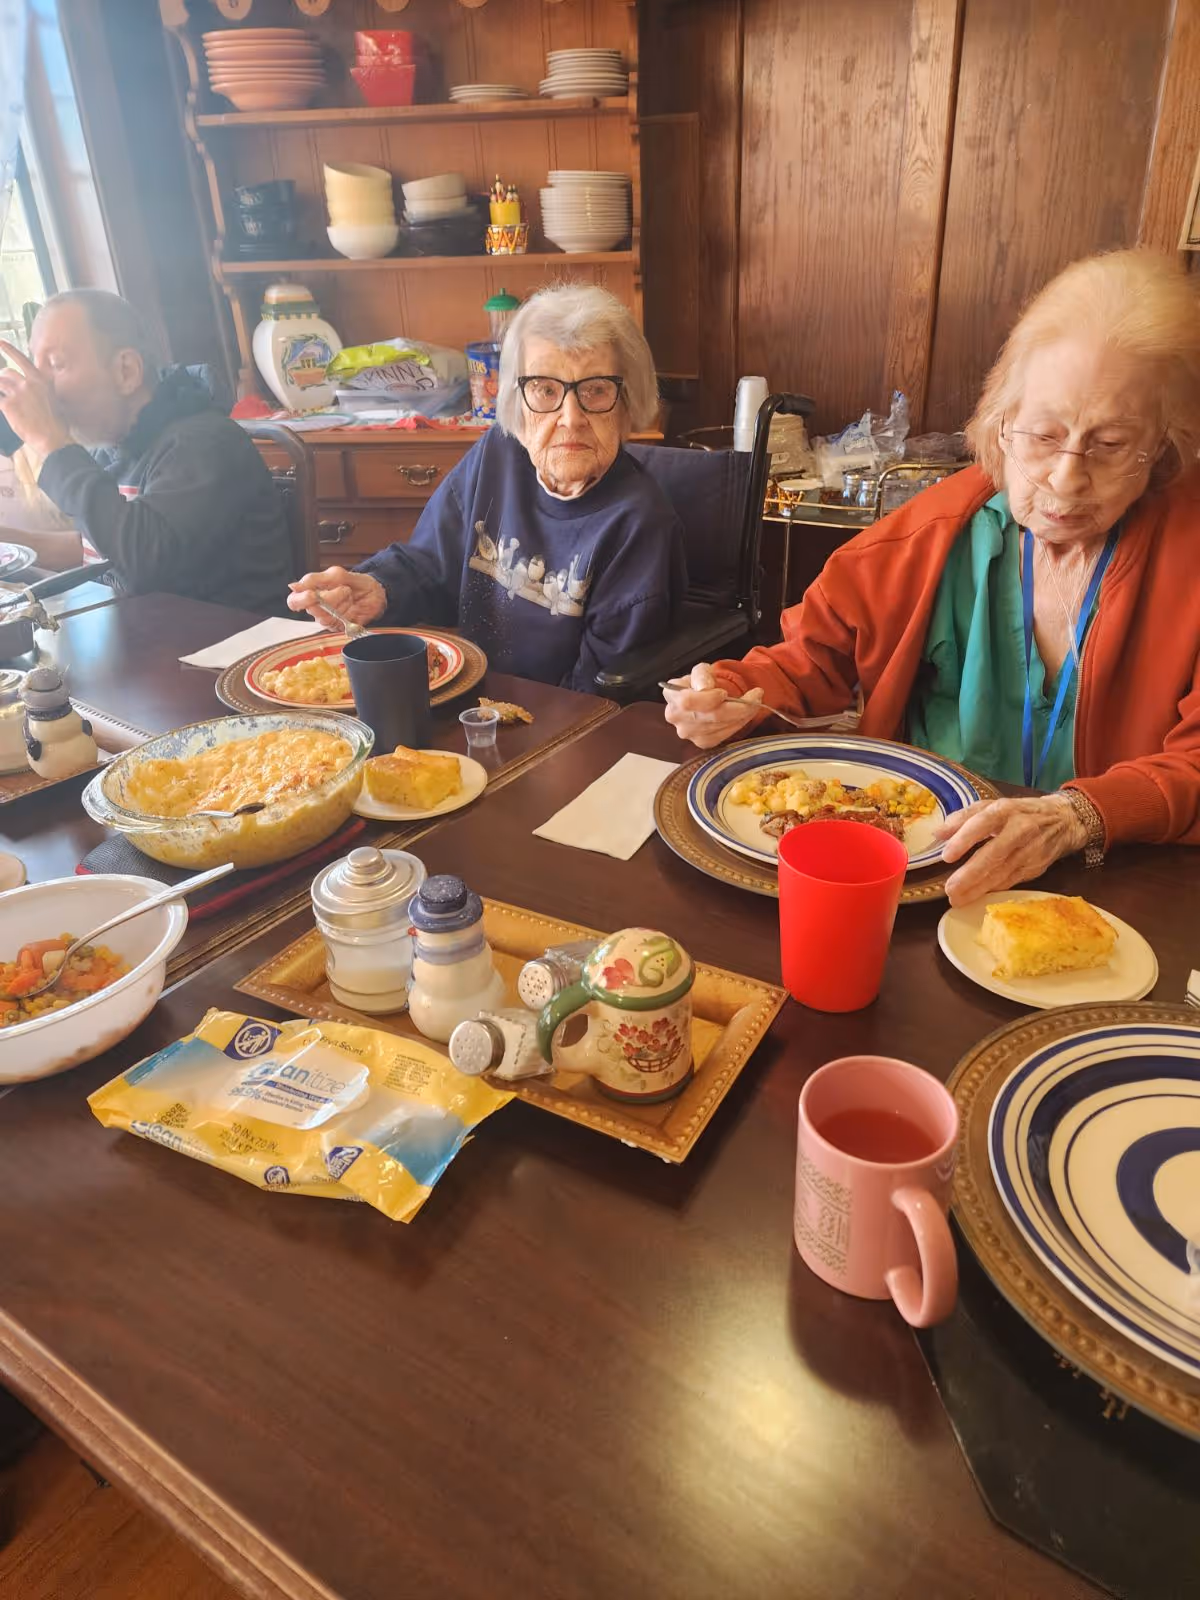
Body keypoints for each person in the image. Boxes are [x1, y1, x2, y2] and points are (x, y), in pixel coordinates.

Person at [663, 249, 1200, 904]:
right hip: (924, 872)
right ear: (1000, 424)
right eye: (1043, 435)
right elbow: (812, 661)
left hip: (1114, 879)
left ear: (1165, 446)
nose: (1066, 478)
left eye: (1111, 444)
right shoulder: (930, 537)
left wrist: (1079, 817)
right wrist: (730, 692)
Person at [288, 284, 686, 691]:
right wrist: (377, 588)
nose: (571, 417)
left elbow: (599, 696)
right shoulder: (498, 454)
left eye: (596, 390)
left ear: (627, 403)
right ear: (518, 398)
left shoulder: (640, 523)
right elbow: (431, 563)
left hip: (557, 723)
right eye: (546, 390)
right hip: (470, 702)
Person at [0, 289, 290, 611]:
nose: (38, 386)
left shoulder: (204, 443)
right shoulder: (114, 445)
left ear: (126, 371)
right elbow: (102, 546)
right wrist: (12, 543)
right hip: (153, 640)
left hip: (232, 649)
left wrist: (53, 445)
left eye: (56, 364)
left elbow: (143, 562)